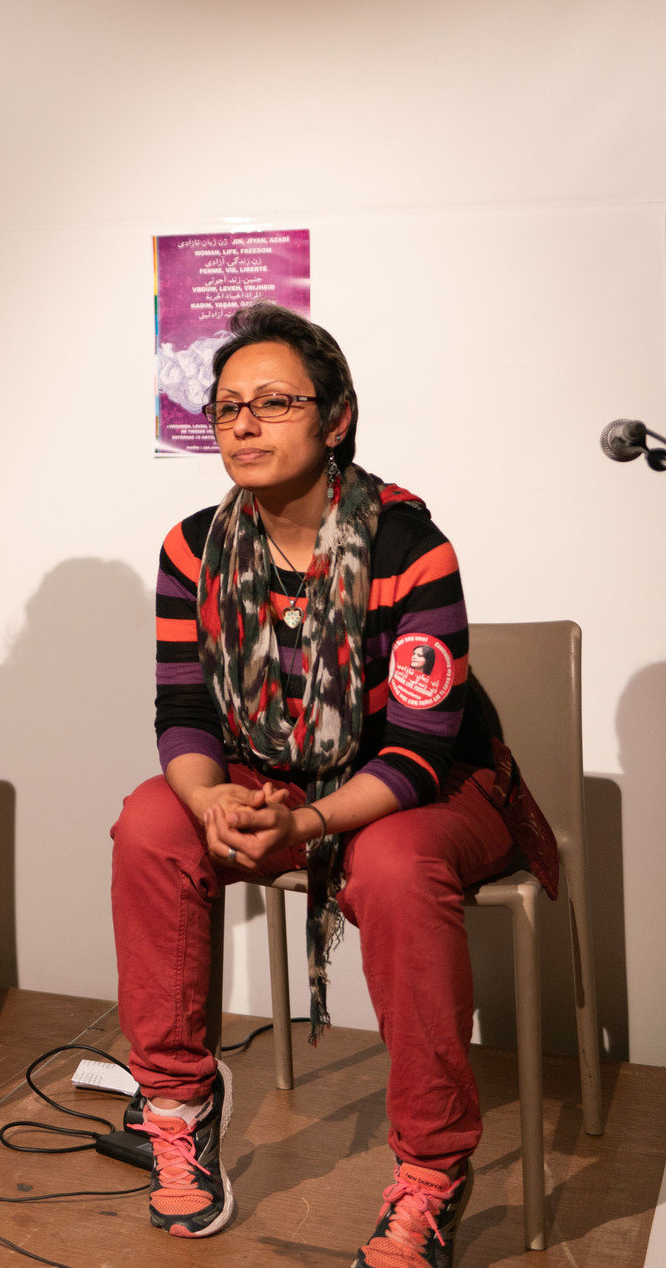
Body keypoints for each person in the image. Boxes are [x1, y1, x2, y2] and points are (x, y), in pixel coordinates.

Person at [112, 302, 558, 1266]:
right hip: (276, 776)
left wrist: (306, 823)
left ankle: (432, 1173)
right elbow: (183, 712)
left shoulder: (409, 546)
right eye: (227, 407)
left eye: (274, 403)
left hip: (432, 785)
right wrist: (210, 799)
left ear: (337, 418)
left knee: (391, 866)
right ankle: (178, 1105)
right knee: (151, 822)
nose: (244, 424)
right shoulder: (192, 549)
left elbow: (420, 752)